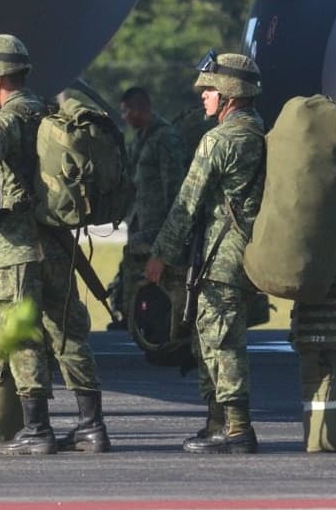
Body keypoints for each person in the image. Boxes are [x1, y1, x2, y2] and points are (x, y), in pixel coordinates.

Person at [0, 33, 110, 455]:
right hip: (56, 240)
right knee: (68, 331)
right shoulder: (48, 111)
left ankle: (37, 430)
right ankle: (91, 427)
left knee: (21, 332)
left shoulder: (1, 121)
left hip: (16, 245)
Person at [145, 51, 266, 454]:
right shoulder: (256, 133)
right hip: (241, 253)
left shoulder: (218, 140)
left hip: (221, 255)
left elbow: (187, 203)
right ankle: (217, 423)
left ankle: (237, 430)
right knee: (210, 339)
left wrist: (161, 254)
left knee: (222, 341)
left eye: (210, 89)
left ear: (229, 93)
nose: (203, 97)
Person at [113, 86, 185, 330]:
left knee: (159, 278)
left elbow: (173, 185)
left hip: (157, 225)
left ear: (138, 109)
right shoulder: (142, 138)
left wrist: (170, 229)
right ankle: (131, 316)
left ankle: (159, 324)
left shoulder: (165, 137)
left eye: (126, 112)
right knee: (135, 271)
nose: (124, 117)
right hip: (139, 222)